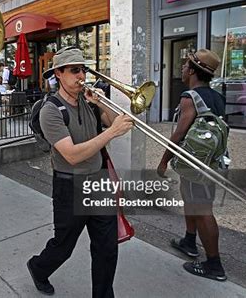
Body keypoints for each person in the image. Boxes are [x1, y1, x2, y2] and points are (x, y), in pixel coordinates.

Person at [26, 46, 133, 297]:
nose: (81, 76)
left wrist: (101, 105)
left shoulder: (89, 100)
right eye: (74, 71)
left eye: (83, 70)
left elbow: (118, 122)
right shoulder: (50, 110)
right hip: (70, 186)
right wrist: (111, 133)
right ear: (59, 74)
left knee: (107, 248)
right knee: (64, 247)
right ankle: (38, 268)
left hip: (99, 183)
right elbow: (72, 155)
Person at [157, 49, 227, 281]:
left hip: (196, 164)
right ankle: (189, 241)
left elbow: (179, 134)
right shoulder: (217, 97)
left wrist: (164, 160)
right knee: (192, 200)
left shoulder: (190, 97)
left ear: (193, 71)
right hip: (209, 161)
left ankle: (214, 265)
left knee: (203, 209)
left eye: (186, 65)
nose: (183, 68)